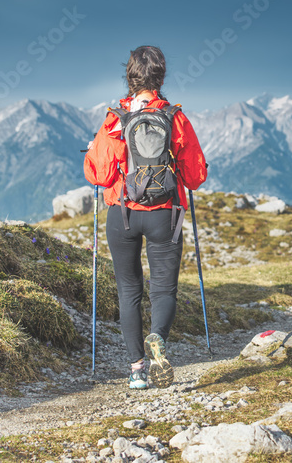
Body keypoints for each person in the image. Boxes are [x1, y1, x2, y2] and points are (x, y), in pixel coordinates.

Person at [84, 46, 208, 389]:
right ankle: (158, 338)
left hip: (122, 214)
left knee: (129, 289)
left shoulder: (115, 119)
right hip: (164, 214)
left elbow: (98, 174)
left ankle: (137, 370)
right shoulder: (174, 117)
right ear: (162, 78)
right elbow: (195, 176)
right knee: (163, 288)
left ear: (129, 76)